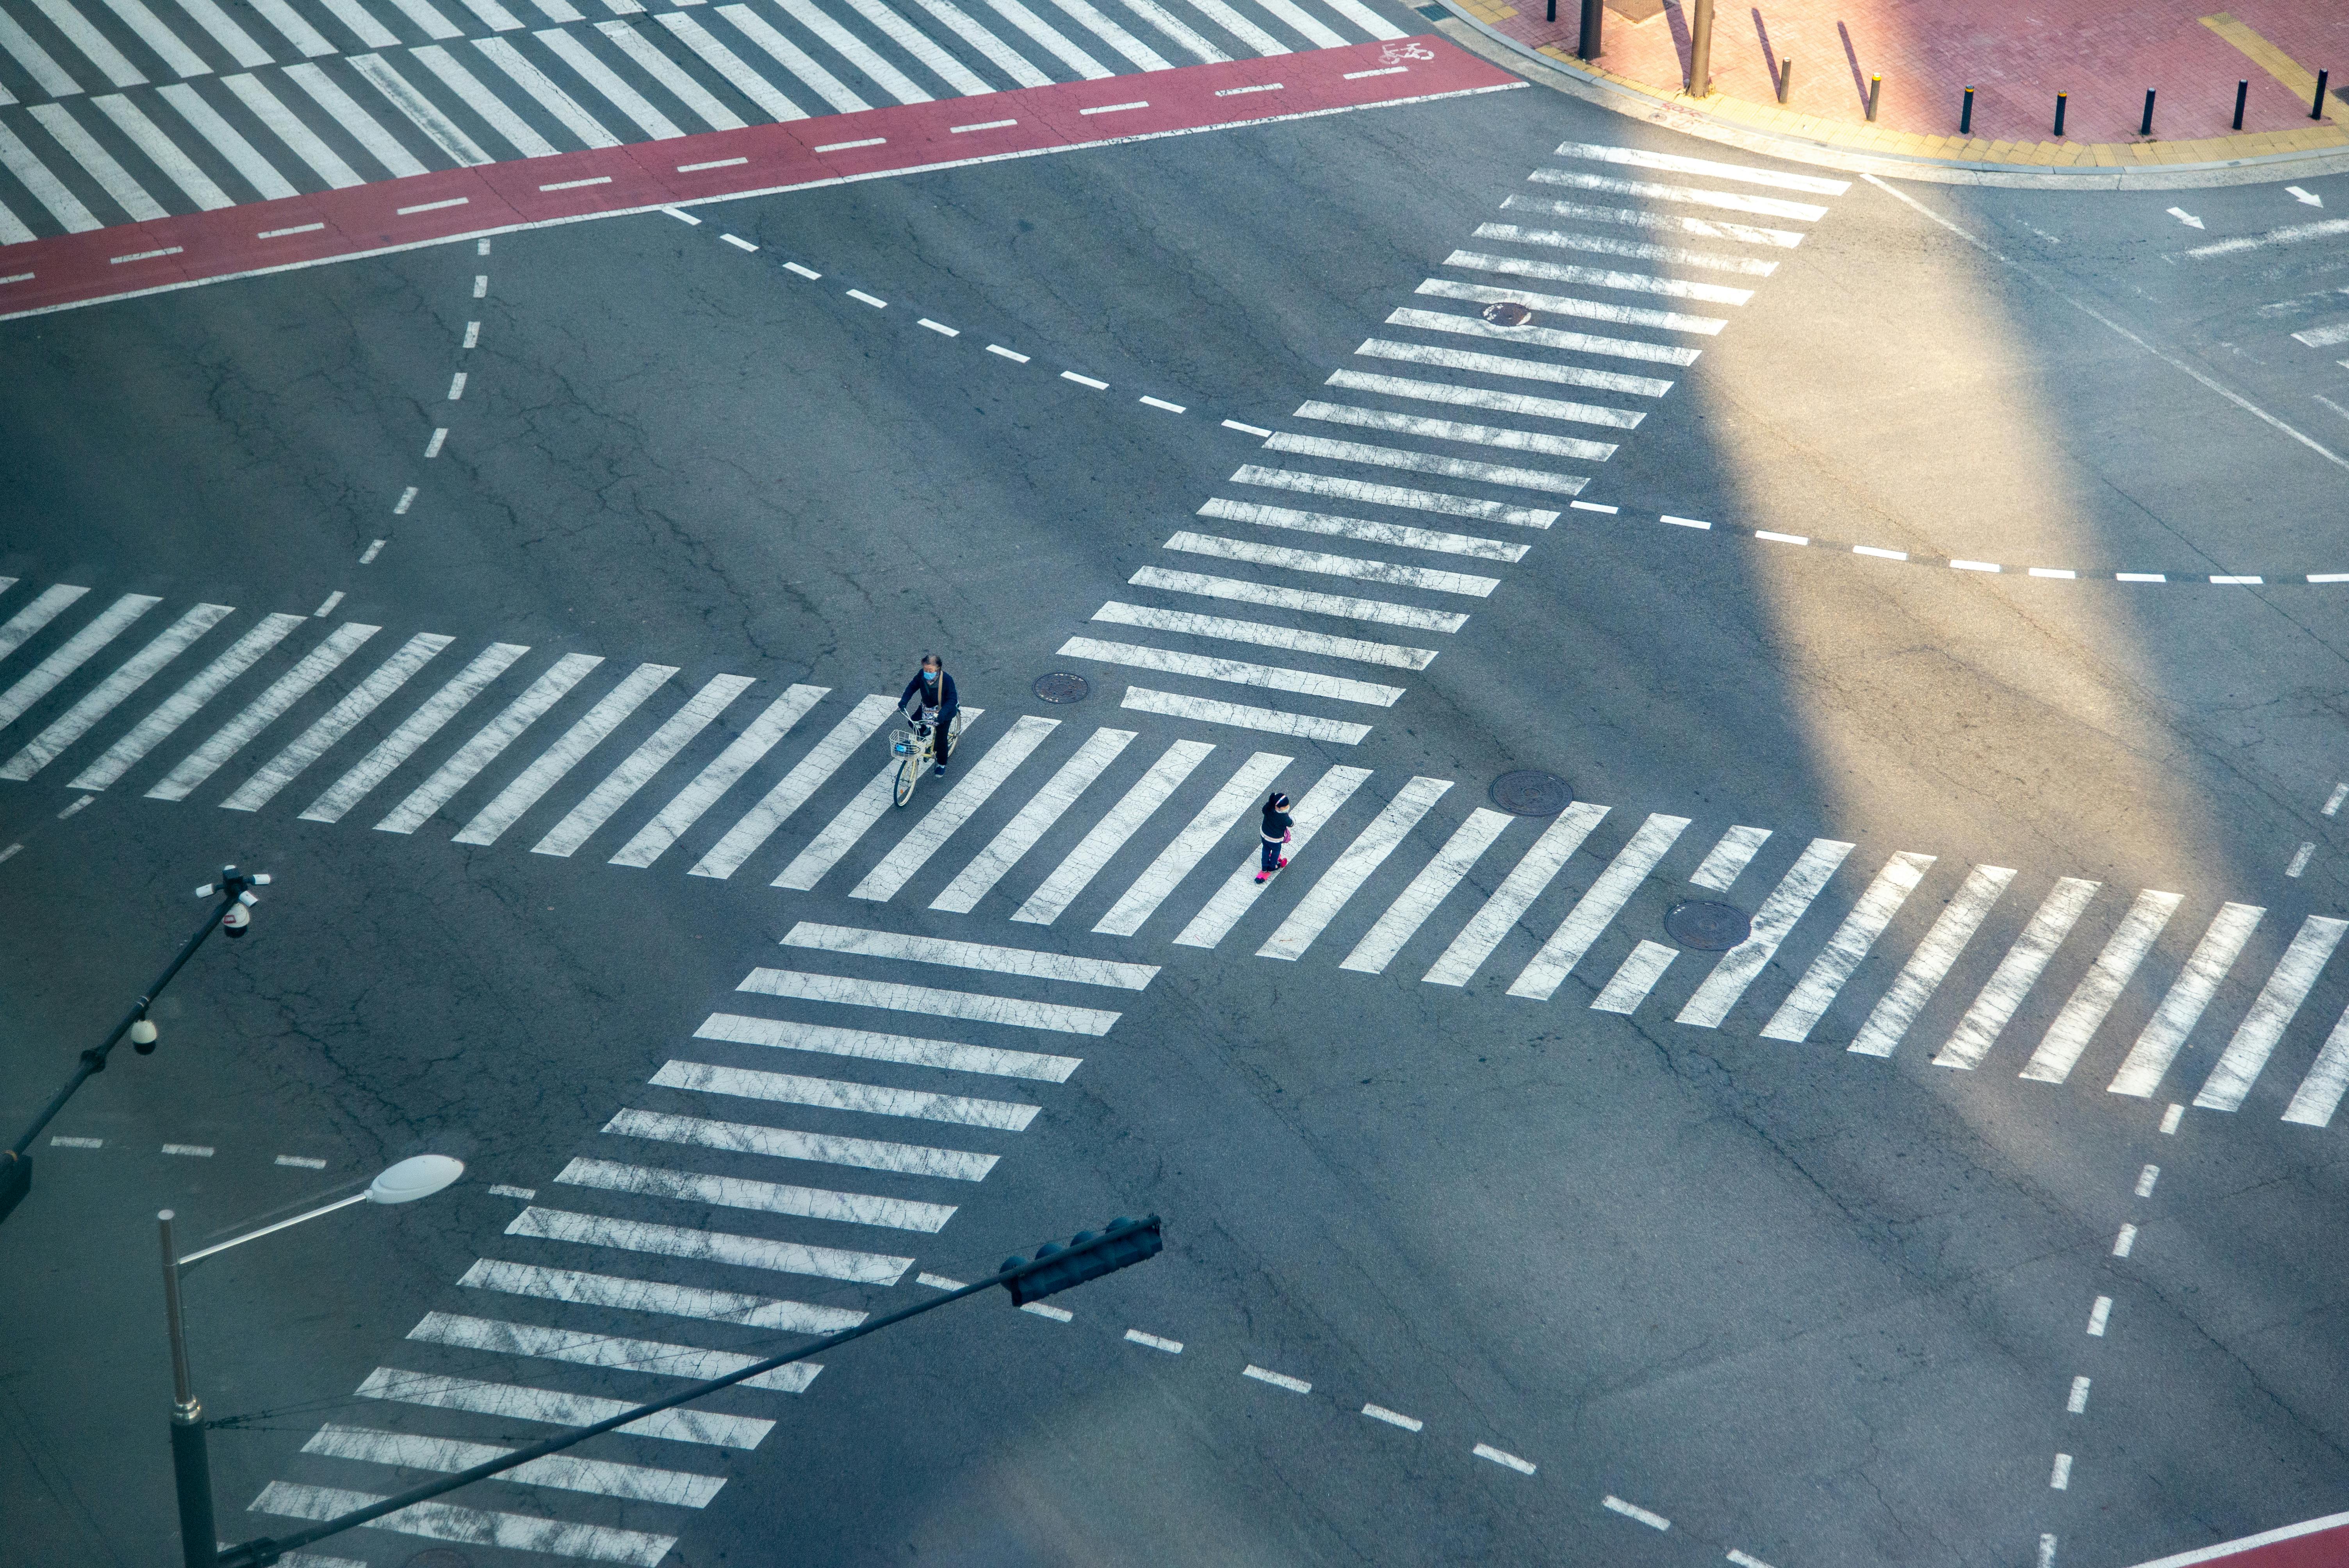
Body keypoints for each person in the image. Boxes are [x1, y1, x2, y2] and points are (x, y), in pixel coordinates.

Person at [900, 654, 959, 777]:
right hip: (926, 708)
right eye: (925, 669)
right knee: (913, 722)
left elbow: (952, 699)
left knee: (941, 740)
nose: (927, 673)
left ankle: (941, 764)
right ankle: (925, 731)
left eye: (930, 670)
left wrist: (942, 714)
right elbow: (912, 687)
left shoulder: (947, 680)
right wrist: (904, 701)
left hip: (944, 712)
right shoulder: (922, 675)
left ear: (938, 668)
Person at [1256, 790, 1292, 883]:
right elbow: (1291, 824)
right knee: (1276, 851)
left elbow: (1266, 808)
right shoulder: (1284, 817)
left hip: (1264, 834)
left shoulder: (1268, 809)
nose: (1287, 808)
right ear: (1277, 807)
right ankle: (1273, 866)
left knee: (1266, 849)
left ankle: (1264, 868)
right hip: (1275, 840)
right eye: (1285, 807)